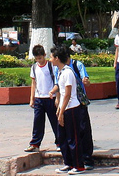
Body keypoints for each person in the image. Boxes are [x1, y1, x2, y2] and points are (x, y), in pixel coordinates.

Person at [50, 46, 85, 175]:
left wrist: (62, 111)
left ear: (57, 58)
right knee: (62, 137)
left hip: (71, 109)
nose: (50, 59)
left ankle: (78, 165)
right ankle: (68, 163)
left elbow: (68, 94)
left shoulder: (68, 72)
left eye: (52, 57)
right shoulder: (59, 72)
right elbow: (60, 90)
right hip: (63, 108)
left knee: (73, 138)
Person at [25, 45, 59, 153]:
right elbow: (33, 83)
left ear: (44, 55)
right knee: (38, 122)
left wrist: (57, 97)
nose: (39, 60)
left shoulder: (51, 66)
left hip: (50, 97)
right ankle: (35, 143)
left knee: (55, 121)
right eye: (37, 59)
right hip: (39, 98)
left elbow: (56, 81)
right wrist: (32, 99)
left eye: (40, 58)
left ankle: (59, 142)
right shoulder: (34, 67)